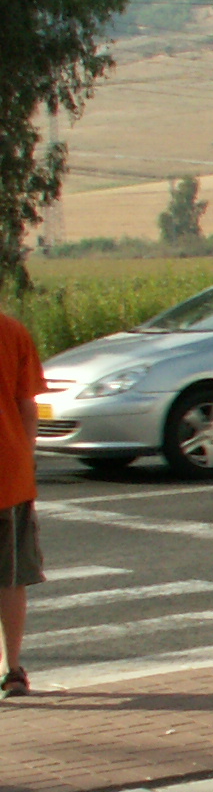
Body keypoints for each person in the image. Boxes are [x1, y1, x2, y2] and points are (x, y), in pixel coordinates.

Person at [0, 299, 43, 698]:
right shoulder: (12, 332)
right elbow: (27, 405)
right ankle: (11, 669)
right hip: (8, 475)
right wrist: (25, 458)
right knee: (10, 579)